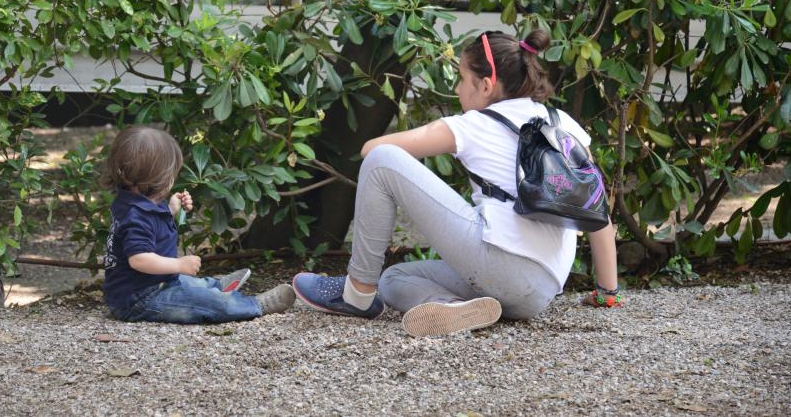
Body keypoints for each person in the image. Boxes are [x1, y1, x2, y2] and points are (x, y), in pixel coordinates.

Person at [293, 29, 621, 336]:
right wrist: (607, 291)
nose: (458, 89)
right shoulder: (562, 122)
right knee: (394, 279)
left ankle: (356, 295)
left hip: (503, 268)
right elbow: (596, 210)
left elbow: (373, 150)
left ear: (486, 85)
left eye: (463, 79)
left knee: (382, 162)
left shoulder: (473, 125)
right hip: (541, 292)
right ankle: (456, 309)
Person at [103, 125, 296, 323]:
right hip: (140, 299)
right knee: (206, 303)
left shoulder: (132, 203)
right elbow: (139, 260)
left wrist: (170, 210)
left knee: (188, 283)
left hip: (153, 285)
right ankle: (253, 305)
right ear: (154, 178)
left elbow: (149, 231)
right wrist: (178, 264)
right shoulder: (137, 215)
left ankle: (214, 286)